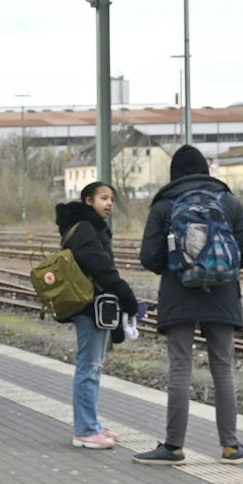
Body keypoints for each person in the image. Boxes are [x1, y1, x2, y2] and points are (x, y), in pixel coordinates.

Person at [134, 145, 243, 465]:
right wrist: (220, 266)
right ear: (206, 170)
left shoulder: (165, 205)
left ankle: (173, 447)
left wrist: (179, 262)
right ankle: (231, 447)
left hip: (178, 295)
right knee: (223, 368)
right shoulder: (227, 201)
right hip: (222, 295)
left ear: (174, 174)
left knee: (180, 368)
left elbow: (149, 257)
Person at [57, 182, 140, 449]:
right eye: (103, 198)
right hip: (89, 307)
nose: (109, 203)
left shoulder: (87, 227)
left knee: (93, 367)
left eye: (111, 199)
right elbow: (101, 267)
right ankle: (85, 430)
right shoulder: (85, 230)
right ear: (88, 200)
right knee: (88, 368)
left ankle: (91, 423)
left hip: (94, 305)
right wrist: (127, 296)